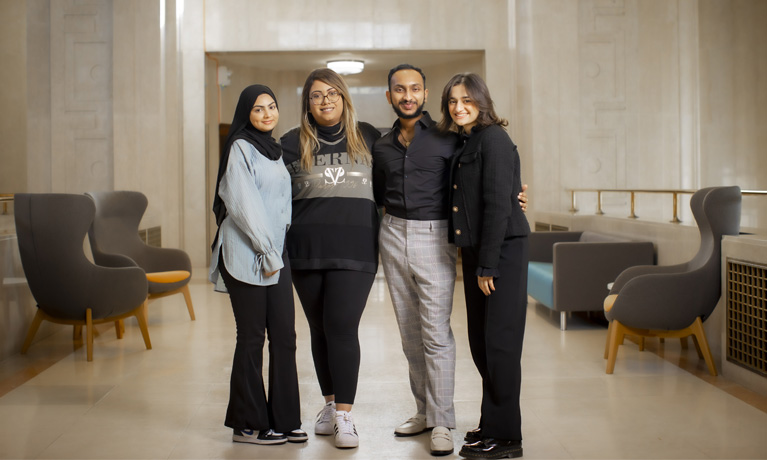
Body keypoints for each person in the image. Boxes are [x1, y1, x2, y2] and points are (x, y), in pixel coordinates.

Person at [373, 64, 529, 457]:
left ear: (424, 95)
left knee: (457, 337)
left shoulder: (459, 139)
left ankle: (453, 422)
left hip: (444, 239)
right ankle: (434, 414)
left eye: (414, 89)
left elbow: (492, 191)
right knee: (426, 337)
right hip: (400, 235)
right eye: (454, 101)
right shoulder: (383, 144)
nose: (460, 107)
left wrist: (514, 198)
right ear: (389, 95)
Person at [280, 68, 381, 449]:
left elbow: (408, 173)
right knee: (319, 329)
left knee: (341, 326)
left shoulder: (368, 136)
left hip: (356, 250)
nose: (325, 101)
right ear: (307, 102)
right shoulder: (291, 142)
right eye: (316, 95)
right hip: (305, 251)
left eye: (332, 93)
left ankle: (344, 415)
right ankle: (327, 404)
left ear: (344, 97)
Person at [438, 73, 530, 460]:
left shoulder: (493, 139)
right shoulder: (468, 140)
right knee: (482, 345)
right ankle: (492, 422)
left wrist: (488, 265)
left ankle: (507, 437)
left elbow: (496, 204)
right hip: (479, 252)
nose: (459, 107)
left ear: (481, 100)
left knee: (501, 346)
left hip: (502, 252)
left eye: (466, 100)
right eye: (453, 101)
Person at [209, 85, 306, 446]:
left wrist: (276, 253)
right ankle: (247, 424)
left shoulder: (276, 150)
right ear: (245, 114)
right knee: (252, 338)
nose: (267, 114)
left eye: (272, 107)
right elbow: (242, 204)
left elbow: (282, 205)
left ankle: (284, 420)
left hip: (275, 256)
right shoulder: (240, 147)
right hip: (247, 254)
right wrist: (267, 252)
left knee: (284, 336)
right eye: (257, 109)